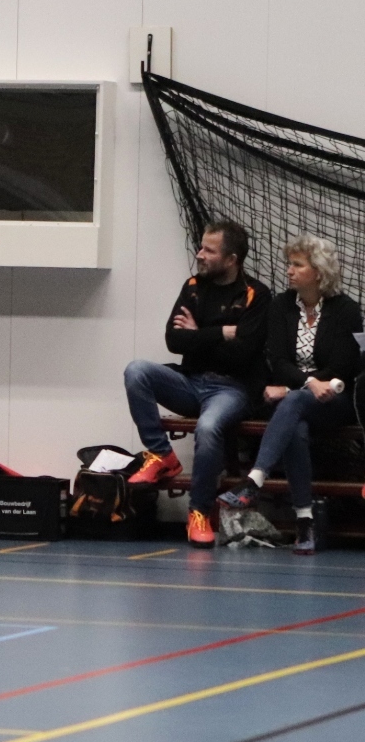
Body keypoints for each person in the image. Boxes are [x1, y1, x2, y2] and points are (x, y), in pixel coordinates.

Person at [123, 220, 271, 549]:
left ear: (231, 259)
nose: (200, 254)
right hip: (190, 382)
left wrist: (198, 334)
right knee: (137, 371)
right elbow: (174, 340)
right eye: (201, 247)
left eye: (209, 250)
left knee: (208, 426)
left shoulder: (256, 295)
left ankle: (199, 511)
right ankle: (162, 454)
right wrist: (222, 332)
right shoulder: (192, 286)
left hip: (232, 388)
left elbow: (243, 354)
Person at [217, 235, 361, 554]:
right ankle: (305, 522)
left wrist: (304, 385)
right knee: (296, 426)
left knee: (294, 400)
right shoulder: (281, 306)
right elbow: (279, 360)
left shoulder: (346, 310)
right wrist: (306, 383)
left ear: (319, 272)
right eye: (289, 264)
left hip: (334, 399)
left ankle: (254, 481)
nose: (289, 271)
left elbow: (343, 365)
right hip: (295, 399)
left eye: (297, 265)